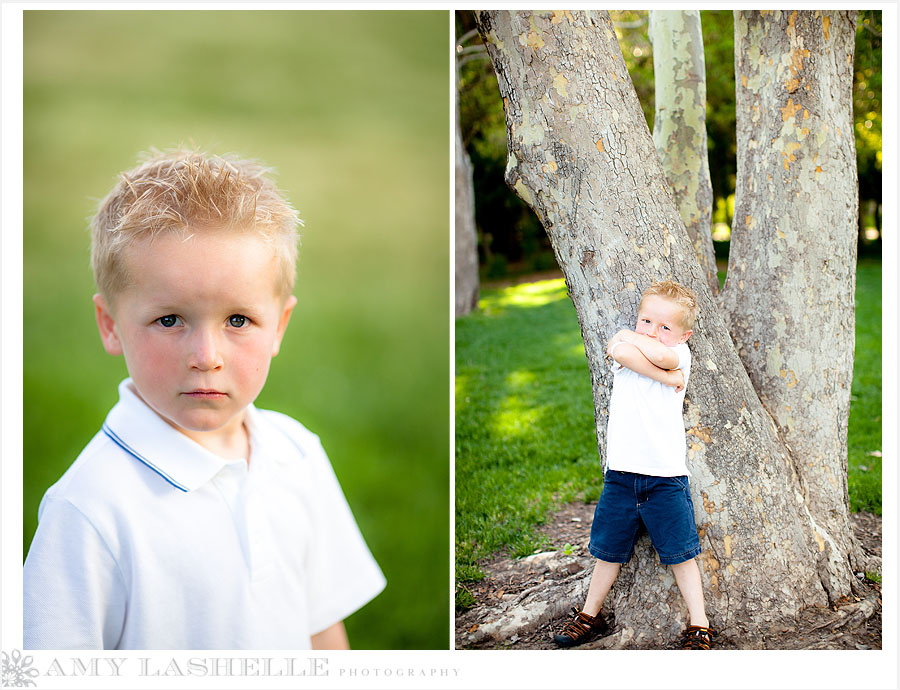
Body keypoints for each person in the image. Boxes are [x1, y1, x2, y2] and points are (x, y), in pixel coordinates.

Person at [23, 148, 386, 650]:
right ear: (110, 325)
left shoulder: (296, 453)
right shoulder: (89, 509)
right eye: (169, 320)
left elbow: (322, 630)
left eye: (238, 320)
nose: (206, 356)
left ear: (279, 326)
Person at [553, 280, 716, 650]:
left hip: (664, 477)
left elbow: (663, 357)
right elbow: (624, 354)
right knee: (608, 552)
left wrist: (647, 350)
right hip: (622, 475)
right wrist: (664, 377)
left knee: (681, 554)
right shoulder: (626, 343)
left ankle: (700, 623)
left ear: (684, 334)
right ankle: (589, 615)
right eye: (645, 321)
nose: (653, 332)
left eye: (665, 327)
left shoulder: (682, 355)